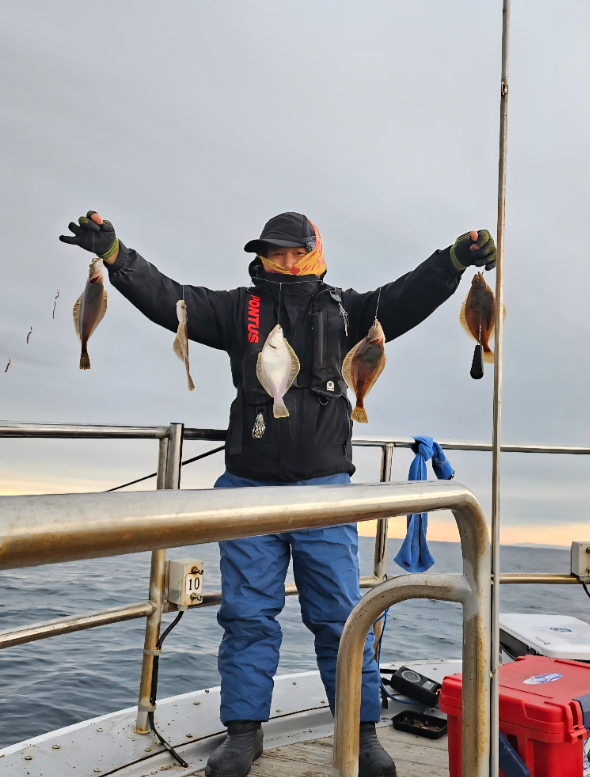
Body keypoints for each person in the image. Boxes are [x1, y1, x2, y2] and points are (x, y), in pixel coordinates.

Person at [60, 211, 496, 777]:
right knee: (247, 618)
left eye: (295, 251)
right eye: (274, 252)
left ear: (314, 251)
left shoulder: (348, 310)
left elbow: (408, 296)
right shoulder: (234, 308)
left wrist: (453, 261)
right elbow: (169, 298)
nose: (285, 261)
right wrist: (117, 257)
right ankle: (243, 732)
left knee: (342, 618)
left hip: (326, 494)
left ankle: (360, 730)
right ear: (262, 256)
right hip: (248, 492)